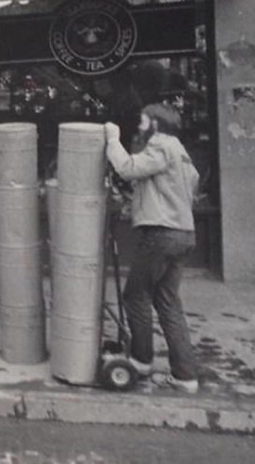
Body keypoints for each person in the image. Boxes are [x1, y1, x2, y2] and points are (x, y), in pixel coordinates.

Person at [104, 103, 201, 394]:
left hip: (160, 234)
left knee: (135, 296)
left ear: (156, 124)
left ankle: (140, 360)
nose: (140, 125)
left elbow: (127, 168)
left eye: (144, 121)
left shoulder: (160, 145)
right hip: (184, 233)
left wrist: (112, 139)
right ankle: (186, 376)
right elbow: (187, 185)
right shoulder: (181, 151)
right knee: (168, 303)